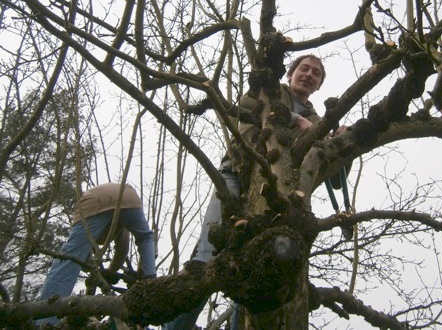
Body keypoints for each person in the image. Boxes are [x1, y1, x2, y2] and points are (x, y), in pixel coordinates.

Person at [164, 54, 327, 330]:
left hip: (274, 193)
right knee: (209, 256)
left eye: (316, 73)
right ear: (290, 74)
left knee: (256, 269)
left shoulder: (318, 119)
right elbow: (249, 107)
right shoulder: (269, 89)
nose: (309, 75)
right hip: (236, 177)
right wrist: (296, 121)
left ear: (319, 85)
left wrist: (332, 135)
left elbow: (319, 160)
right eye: (304, 69)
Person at [36, 182, 156, 326]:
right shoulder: (120, 221)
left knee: (70, 258)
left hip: (94, 201)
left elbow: (82, 259)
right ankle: (151, 281)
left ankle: (45, 319)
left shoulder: (85, 218)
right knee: (145, 237)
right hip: (129, 195)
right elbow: (122, 251)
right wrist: (111, 272)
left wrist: (106, 273)